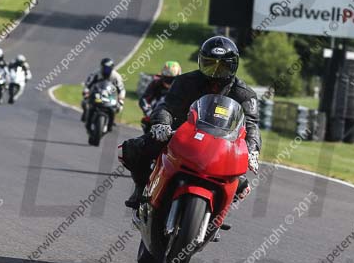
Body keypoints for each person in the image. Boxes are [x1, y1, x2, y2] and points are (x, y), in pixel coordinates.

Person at [121, 36, 261, 209]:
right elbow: (167, 106)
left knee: (242, 185)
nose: (215, 72)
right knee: (134, 149)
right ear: (201, 62)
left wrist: (252, 150)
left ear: (233, 66)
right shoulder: (185, 82)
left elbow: (252, 124)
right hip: (181, 135)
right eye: (210, 64)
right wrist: (162, 124)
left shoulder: (245, 95)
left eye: (222, 66)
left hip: (223, 145)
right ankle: (141, 188)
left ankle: (216, 215)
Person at [82, 57, 126, 122]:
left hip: (110, 96)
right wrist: (86, 93)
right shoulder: (96, 74)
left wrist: (121, 101)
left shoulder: (116, 77)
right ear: (101, 67)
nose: (106, 70)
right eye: (105, 68)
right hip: (96, 93)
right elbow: (88, 85)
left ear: (112, 68)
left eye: (108, 69)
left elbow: (121, 89)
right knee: (85, 103)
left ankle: (111, 120)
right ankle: (86, 116)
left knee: (118, 108)